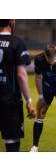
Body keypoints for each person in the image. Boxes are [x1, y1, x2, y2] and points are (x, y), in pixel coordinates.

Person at [0, 19, 35, 152]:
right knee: (12, 141)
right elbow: (21, 75)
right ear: (11, 22)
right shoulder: (17, 42)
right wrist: (29, 101)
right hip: (10, 100)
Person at [30, 44, 56, 152]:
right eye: (49, 61)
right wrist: (40, 96)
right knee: (40, 115)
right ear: (44, 55)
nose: (52, 63)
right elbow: (38, 78)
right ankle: (35, 147)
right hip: (47, 89)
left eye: (53, 61)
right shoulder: (38, 60)